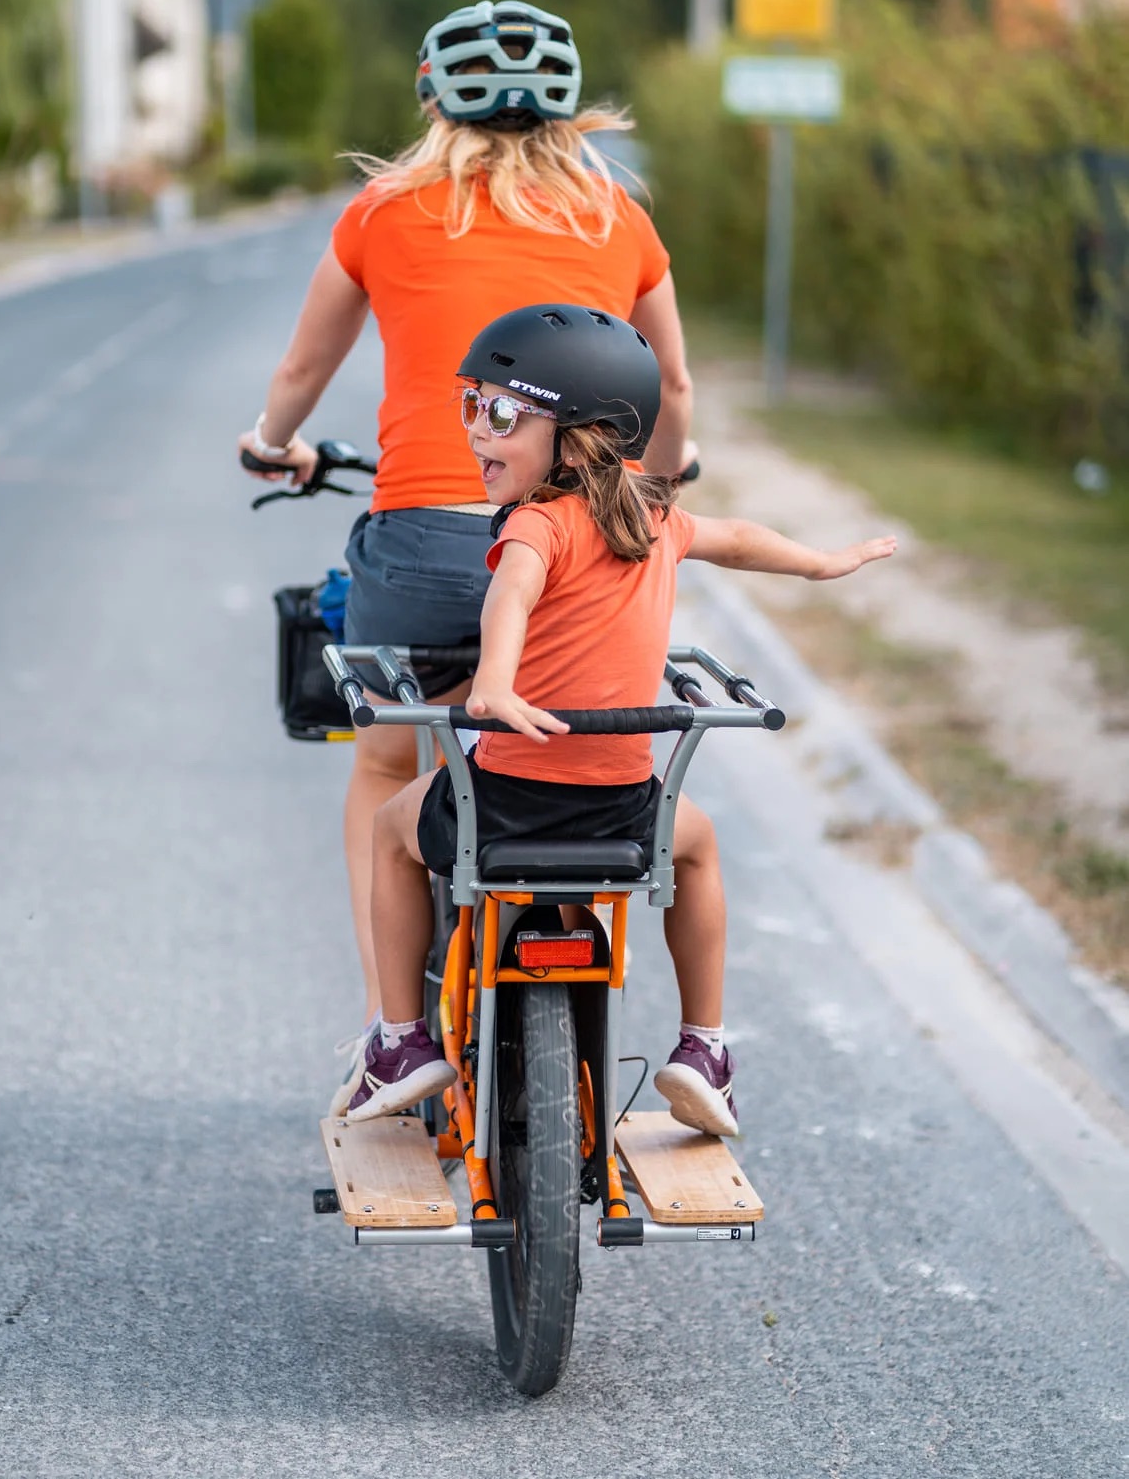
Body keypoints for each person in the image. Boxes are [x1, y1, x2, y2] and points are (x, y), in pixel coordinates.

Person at [238, 0, 697, 1113]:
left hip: (425, 547)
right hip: (579, 547)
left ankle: (395, 1034)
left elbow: (302, 369)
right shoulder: (616, 216)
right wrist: (658, 483)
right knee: (574, 746)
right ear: (571, 110)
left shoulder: (383, 210)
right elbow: (672, 388)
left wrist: (273, 442)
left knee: (389, 765)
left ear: (432, 99)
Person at [344, 303, 897, 1129]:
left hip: (506, 805)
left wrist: (491, 680)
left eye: (502, 414)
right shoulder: (656, 519)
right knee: (698, 847)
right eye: (472, 405)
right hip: (625, 811)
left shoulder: (536, 525)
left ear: (576, 439)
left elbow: (510, 595)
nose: (477, 431)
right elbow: (738, 537)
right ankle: (704, 1047)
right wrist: (822, 563)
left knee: (391, 830)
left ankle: (399, 1042)